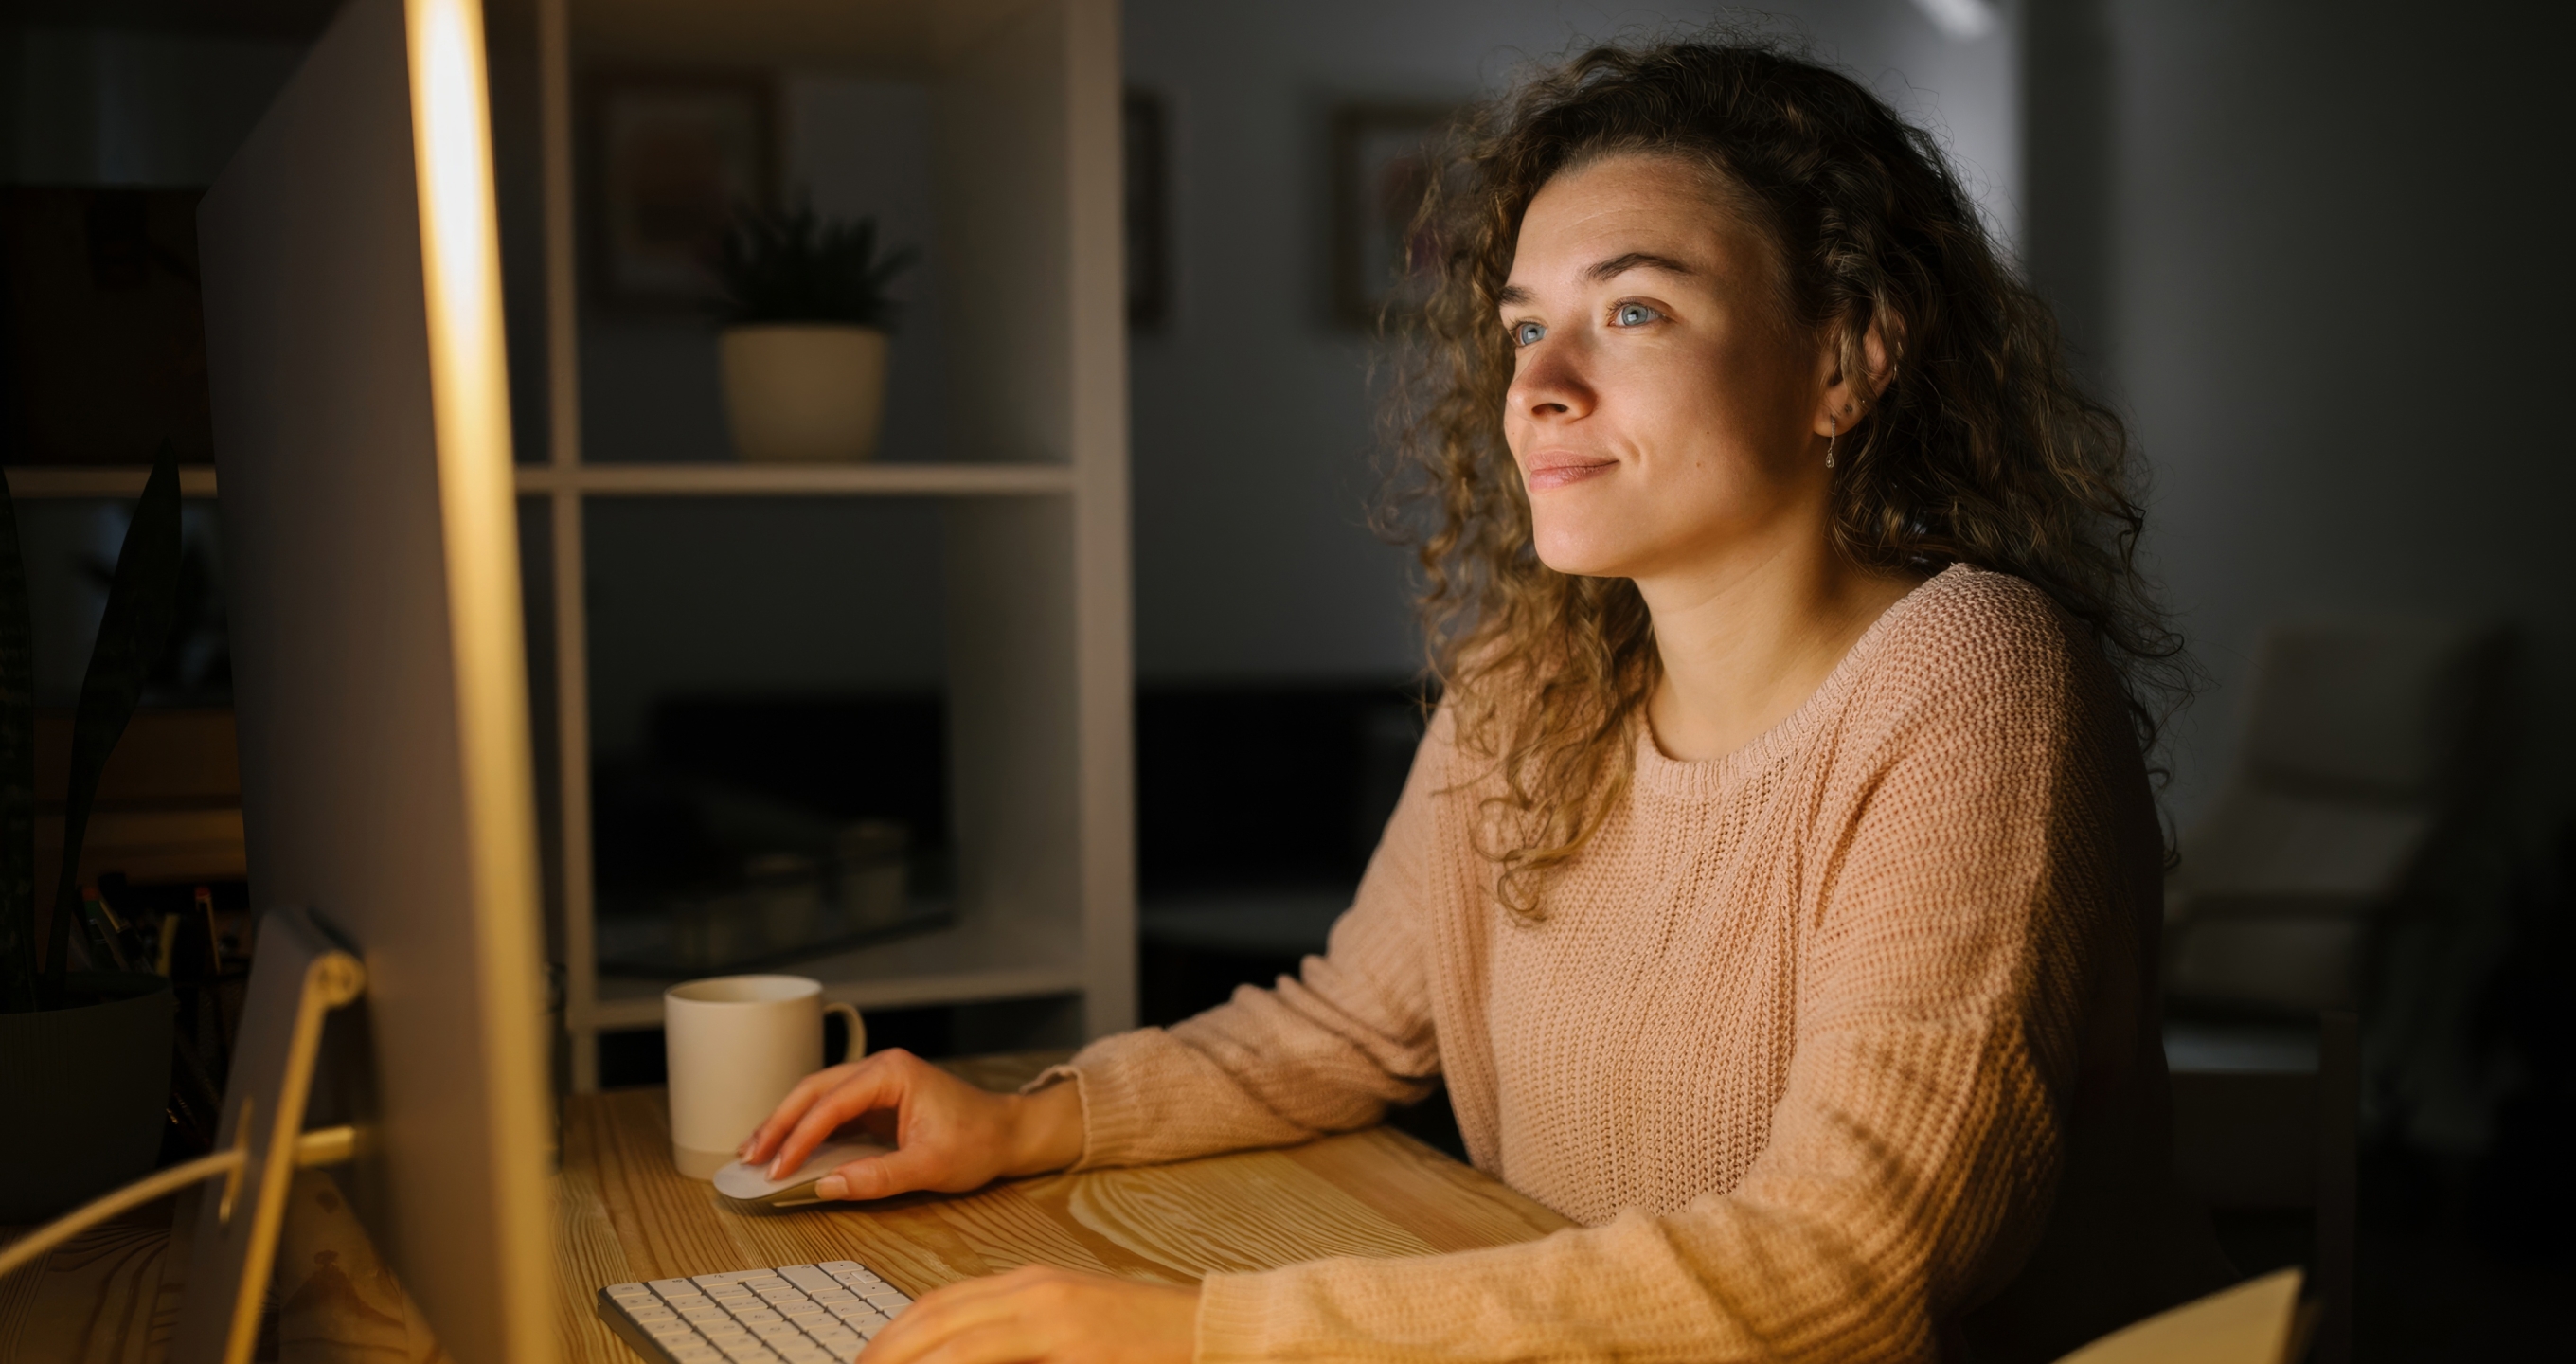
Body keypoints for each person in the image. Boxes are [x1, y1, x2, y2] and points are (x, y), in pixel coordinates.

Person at [742, 33, 2233, 1364]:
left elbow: (1845, 1275)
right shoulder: (1538, 682)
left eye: (1633, 312)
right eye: (1526, 328)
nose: (1541, 387)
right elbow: (1346, 1026)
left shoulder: (1973, 681)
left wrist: (1203, 1337)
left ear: (1846, 356)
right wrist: (1028, 1119)